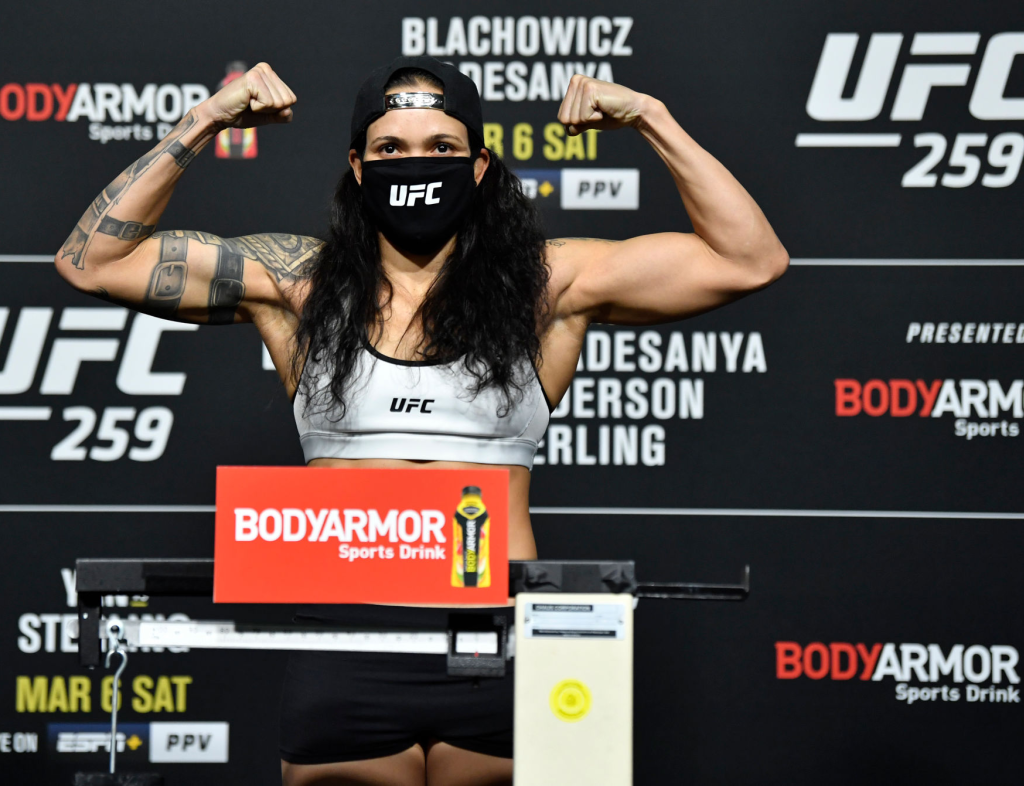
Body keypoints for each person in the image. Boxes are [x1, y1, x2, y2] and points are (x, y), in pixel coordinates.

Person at [55, 55, 787, 786]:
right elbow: (92, 262)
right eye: (391, 150)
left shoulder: (547, 286)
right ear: (356, 164)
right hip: (346, 640)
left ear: (478, 167)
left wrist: (651, 117)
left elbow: (750, 260)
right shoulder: (299, 285)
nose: (415, 166)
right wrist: (207, 117)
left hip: (502, 633)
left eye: (440, 148)